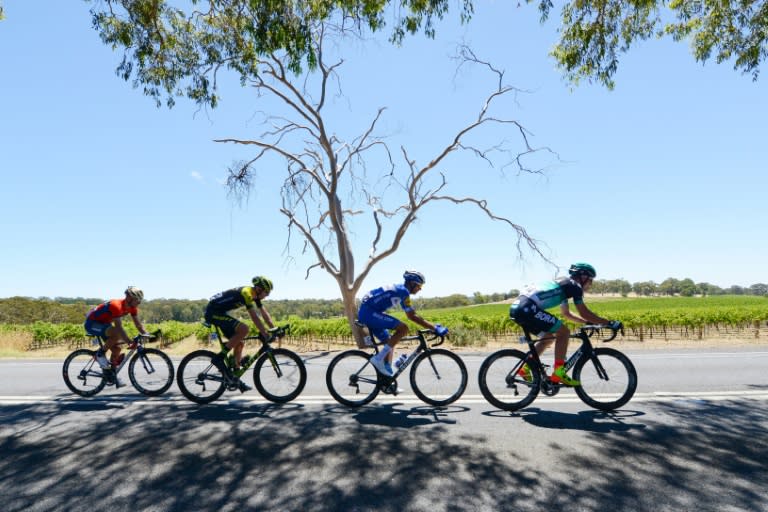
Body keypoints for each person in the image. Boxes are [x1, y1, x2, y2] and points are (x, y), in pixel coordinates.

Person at [509, 262, 621, 386]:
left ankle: (526, 368)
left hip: (518, 309)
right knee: (564, 332)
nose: (591, 284)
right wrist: (609, 323)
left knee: (548, 337)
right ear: (582, 277)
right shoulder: (574, 286)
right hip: (527, 309)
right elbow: (584, 312)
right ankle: (559, 373)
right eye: (590, 280)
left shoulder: (563, 285)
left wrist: (587, 322)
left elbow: (566, 314)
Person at [359, 270, 449, 377]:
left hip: (370, 312)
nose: (420, 289)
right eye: (419, 286)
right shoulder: (403, 291)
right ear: (412, 283)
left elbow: (413, 314)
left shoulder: (401, 290)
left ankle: (387, 376)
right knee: (403, 328)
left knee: (390, 341)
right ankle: (378, 359)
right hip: (369, 312)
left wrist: (432, 326)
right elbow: (412, 316)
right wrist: (434, 328)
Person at [204, 276, 276, 392]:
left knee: (239, 343)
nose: (267, 296)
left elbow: (264, 314)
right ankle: (219, 358)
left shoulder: (255, 295)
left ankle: (235, 377)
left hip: (220, 312)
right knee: (244, 329)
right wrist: (265, 333)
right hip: (213, 312)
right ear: (259, 289)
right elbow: (254, 317)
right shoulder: (247, 293)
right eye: (266, 293)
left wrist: (274, 328)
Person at [84, 286, 149, 371]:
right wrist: (129, 342)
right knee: (116, 333)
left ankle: (111, 375)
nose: (139, 302)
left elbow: (138, 325)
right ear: (129, 298)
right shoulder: (116, 305)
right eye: (137, 299)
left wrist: (147, 334)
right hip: (92, 323)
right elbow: (119, 327)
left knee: (117, 350)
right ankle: (100, 354)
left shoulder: (133, 308)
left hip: (105, 325)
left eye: (140, 299)